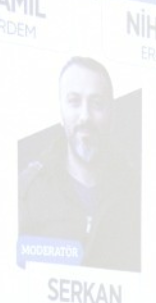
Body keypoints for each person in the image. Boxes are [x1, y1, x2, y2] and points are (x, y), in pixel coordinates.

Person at [18, 57, 141, 270]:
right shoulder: (29, 190)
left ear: (111, 115)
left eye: (97, 104)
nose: (85, 116)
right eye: (74, 102)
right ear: (60, 112)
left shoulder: (135, 191)